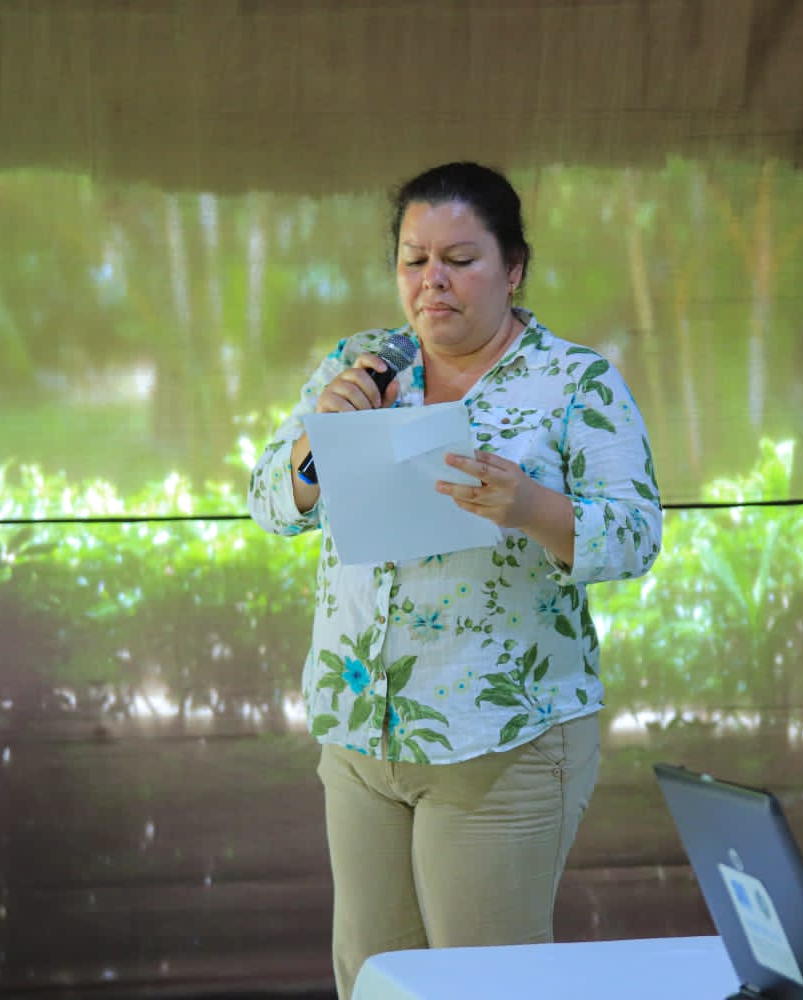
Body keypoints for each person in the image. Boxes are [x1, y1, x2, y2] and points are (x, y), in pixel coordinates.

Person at [247, 161, 662, 999]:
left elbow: (635, 537)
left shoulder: (574, 382)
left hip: (498, 736)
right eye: (414, 259)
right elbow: (270, 504)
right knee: (375, 981)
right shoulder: (362, 365)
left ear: (513, 268)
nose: (431, 280)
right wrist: (316, 442)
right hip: (361, 730)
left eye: (460, 259)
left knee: (484, 987)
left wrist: (531, 506)